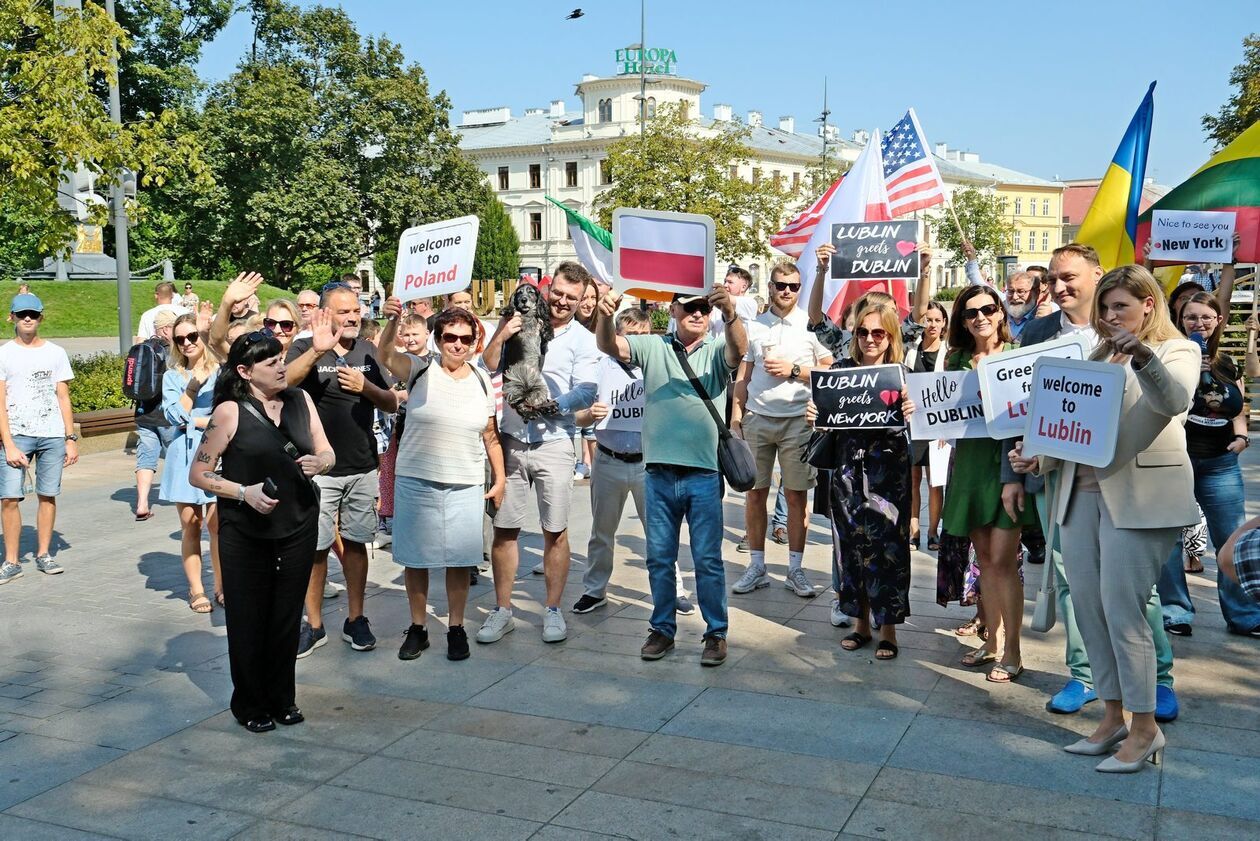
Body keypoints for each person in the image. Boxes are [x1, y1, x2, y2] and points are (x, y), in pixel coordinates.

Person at [1010, 265, 1197, 773]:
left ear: (1148, 306)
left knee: (1123, 612)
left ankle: (1144, 727)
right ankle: (1112, 715)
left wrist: (1140, 355)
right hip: (1079, 496)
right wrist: (1037, 458)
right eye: (1106, 308)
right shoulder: (1095, 355)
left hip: (1140, 500)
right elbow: (1072, 429)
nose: (1112, 316)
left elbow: (1174, 400)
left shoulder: (1177, 350)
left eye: (1122, 307)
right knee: (1089, 609)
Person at [188, 332, 334, 733]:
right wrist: (242, 493)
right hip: (245, 530)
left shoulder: (300, 401)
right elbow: (199, 473)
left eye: (281, 359)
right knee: (249, 619)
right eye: (270, 363)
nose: (281, 367)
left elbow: (327, 450)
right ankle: (249, 703)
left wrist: (319, 463)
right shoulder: (229, 413)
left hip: (298, 524)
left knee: (286, 617)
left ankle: (282, 698)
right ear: (245, 371)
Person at [595, 286, 748, 666]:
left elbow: (739, 350)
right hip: (660, 473)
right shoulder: (655, 346)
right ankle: (662, 629)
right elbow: (610, 346)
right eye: (690, 308)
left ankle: (716, 634)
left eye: (703, 308)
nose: (698, 313)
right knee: (659, 558)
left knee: (708, 559)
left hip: (703, 472)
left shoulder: (716, 347)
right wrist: (603, 315)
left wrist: (729, 312)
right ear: (674, 310)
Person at [478, 262, 600, 645]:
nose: (562, 302)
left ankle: (551, 610)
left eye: (572, 297)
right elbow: (489, 364)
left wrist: (554, 405)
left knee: (555, 531)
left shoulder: (582, 339)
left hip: (554, 440)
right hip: (513, 438)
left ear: (583, 302)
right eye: (558, 293)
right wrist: (501, 334)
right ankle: (503, 610)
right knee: (504, 530)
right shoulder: (520, 321)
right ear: (548, 290)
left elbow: (587, 390)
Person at [378, 302, 505, 661]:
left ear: (475, 342)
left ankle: (456, 627)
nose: (458, 345)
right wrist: (391, 322)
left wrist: (501, 478)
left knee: (459, 561)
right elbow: (386, 354)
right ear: (438, 338)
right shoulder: (419, 369)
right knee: (416, 560)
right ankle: (418, 627)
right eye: (450, 337)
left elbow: (491, 435)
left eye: (466, 339)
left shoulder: (481, 379)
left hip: (465, 482)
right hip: (417, 479)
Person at [287, 283, 398, 655]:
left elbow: (389, 402)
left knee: (356, 543)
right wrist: (317, 350)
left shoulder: (366, 350)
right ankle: (313, 623)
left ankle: (356, 618)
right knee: (316, 549)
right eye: (345, 311)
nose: (353, 316)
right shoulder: (306, 347)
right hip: (319, 470)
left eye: (357, 309)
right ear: (325, 313)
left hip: (363, 465)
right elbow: (281, 382)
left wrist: (366, 386)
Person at [941, 284, 1036, 682]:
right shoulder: (957, 359)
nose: (979, 317)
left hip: (1005, 468)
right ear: (961, 321)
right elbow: (941, 408)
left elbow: (1025, 420)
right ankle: (992, 640)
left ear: (1000, 313)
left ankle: (1012, 649)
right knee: (985, 562)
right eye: (970, 312)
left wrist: (1012, 476)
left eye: (987, 309)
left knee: (1003, 562)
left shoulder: (1018, 358)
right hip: (967, 467)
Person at [572, 309, 691, 613]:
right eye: (630, 335)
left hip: (648, 463)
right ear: (618, 336)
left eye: (643, 335)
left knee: (659, 531)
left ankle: (673, 589)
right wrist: (590, 415)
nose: (636, 342)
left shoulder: (659, 367)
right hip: (608, 459)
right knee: (602, 531)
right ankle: (595, 589)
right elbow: (578, 415)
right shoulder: (600, 367)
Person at [1157, 292, 1260, 636]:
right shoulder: (1171, 356)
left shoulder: (1227, 362)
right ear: (1179, 319)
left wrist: (1242, 437)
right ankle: (1176, 612)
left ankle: (1243, 615)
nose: (1198, 323)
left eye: (1205, 317)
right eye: (1190, 317)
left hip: (1220, 464)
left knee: (1233, 538)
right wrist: (1187, 372)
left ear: (1218, 321)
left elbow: (1238, 406)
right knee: (1168, 537)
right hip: (1177, 459)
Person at [730, 261, 833, 597]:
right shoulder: (754, 325)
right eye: (780, 285)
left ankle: (795, 569)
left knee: (796, 496)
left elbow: (830, 372)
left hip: (798, 420)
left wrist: (795, 371)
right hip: (757, 418)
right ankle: (757, 566)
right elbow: (743, 375)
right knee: (755, 494)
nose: (786, 291)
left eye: (793, 286)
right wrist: (736, 418)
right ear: (770, 286)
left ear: (799, 289)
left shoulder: (810, 324)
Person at [0, 294, 76, 584]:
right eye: (22, 315)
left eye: (33, 314)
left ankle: (44, 553)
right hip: (17, 434)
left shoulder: (55, 352)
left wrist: (70, 438)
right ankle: (11, 560)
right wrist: (8, 443)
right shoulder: (4, 354)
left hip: (52, 435)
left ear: (41, 317)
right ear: (13, 318)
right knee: (9, 497)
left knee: (48, 494)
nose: (28, 319)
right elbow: (0, 402)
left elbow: (63, 396)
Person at [160, 313, 221, 612]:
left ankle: (222, 587)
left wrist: (195, 420)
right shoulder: (172, 376)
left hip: (217, 451)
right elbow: (172, 417)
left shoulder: (221, 371)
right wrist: (193, 389)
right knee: (191, 523)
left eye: (192, 336)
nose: (186, 343)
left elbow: (226, 415)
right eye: (180, 339)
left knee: (218, 524)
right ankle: (197, 590)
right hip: (183, 454)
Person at [373, 313, 430, 549]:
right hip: (398, 430)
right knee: (398, 480)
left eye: (415, 334)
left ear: (427, 334)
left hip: (426, 435)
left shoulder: (435, 361)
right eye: (405, 335)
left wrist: (406, 395)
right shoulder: (397, 362)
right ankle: (399, 527)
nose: (410, 339)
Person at [906, 301, 948, 550]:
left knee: (935, 481)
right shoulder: (910, 350)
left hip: (938, 425)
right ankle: (913, 530)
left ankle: (933, 531)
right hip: (913, 422)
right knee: (912, 480)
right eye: (927, 319)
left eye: (936, 320)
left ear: (944, 324)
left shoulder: (949, 352)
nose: (931, 324)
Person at [133, 310, 178, 521]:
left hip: (143, 413)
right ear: (168, 328)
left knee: (145, 458)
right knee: (177, 456)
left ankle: (142, 503)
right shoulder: (174, 352)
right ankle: (182, 498)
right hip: (167, 415)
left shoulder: (143, 349)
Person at [210, 272, 265, 359]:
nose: (234, 304)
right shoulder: (222, 319)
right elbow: (215, 341)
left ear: (246, 300)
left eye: (238, 301)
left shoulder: (254, 318)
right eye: (232, 301)